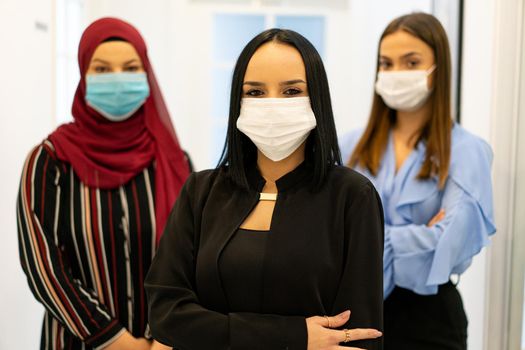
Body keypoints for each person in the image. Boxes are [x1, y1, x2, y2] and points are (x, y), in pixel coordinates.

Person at [145, 29, 384, 349]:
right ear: (237, 102)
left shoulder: (353, 197)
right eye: (255, 93)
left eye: (291, 91)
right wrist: (295, 336)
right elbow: (166, 315)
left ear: (317, 98)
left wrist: (217, 331)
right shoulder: (200, 192)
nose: (272, 104)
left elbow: (357, 337)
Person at [17, 17, 190, 350]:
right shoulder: (50, 160)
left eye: (130, 67)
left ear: (146, 74)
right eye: (102, 69)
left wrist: (160, 337)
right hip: (77, 342)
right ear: (83, 76)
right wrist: (118, 343)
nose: (118, 80)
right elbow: (43, 267)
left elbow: (191, 259)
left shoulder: (173, 161)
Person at [340, 13, 496, 349]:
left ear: (438, 68)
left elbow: (450, 247)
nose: (397, 73)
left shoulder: (469, 152)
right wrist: (421, 234)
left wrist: (366, 238)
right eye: (387, 63)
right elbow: (325, 237)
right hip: (353, 315)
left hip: (431, 320)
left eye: (411, 62)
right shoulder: (349, 147)